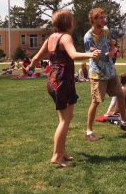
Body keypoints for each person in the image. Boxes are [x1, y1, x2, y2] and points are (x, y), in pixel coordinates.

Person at [26, 9, 99, 167]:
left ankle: (62, 152)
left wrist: (30, 68)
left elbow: (37, 57)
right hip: (62, 81)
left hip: (53, 81)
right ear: (68, 22)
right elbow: (73, 55)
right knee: (65, 120)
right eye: (71, 19)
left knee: (64, 119)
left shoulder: (51, 38)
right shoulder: (65, 37)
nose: (73, 21)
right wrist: (90, 55)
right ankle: (56, 156)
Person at [84, 8, 126, 142]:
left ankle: (124, 123)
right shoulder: (88, 37)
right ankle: (88, 131)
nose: (103, 19)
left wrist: (112, 51)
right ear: (93, 20)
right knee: (96, 102)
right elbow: (92, 55)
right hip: (98, 73)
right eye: (100, 17)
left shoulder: (106, 30)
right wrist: (103, 55)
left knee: (120, 94)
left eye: (103, 17)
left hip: (110, 71)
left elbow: (112, 45)